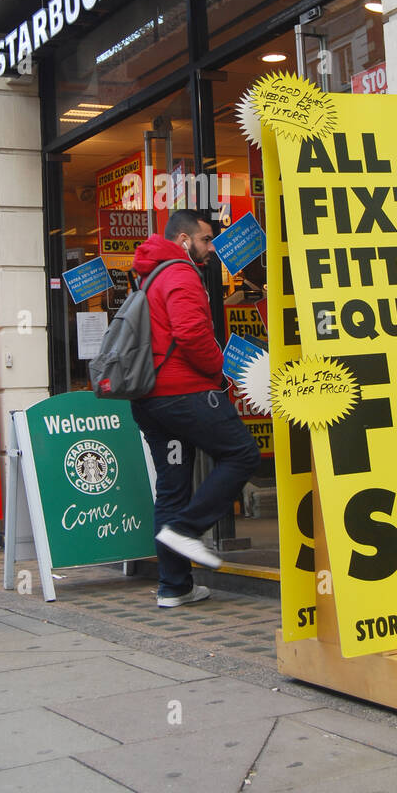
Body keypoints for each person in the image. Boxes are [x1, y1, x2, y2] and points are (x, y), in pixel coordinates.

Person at [130, 209, 261, 607]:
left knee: (171, 487)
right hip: (185, 394)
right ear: (185, 240)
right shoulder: (181, 272)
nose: (210, 248)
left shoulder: (148, 274)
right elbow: (191, 333)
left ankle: (174, 587)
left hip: (151, 399)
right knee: (242, 453)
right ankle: (187, 528)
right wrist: (219, 374)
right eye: (206, 240)